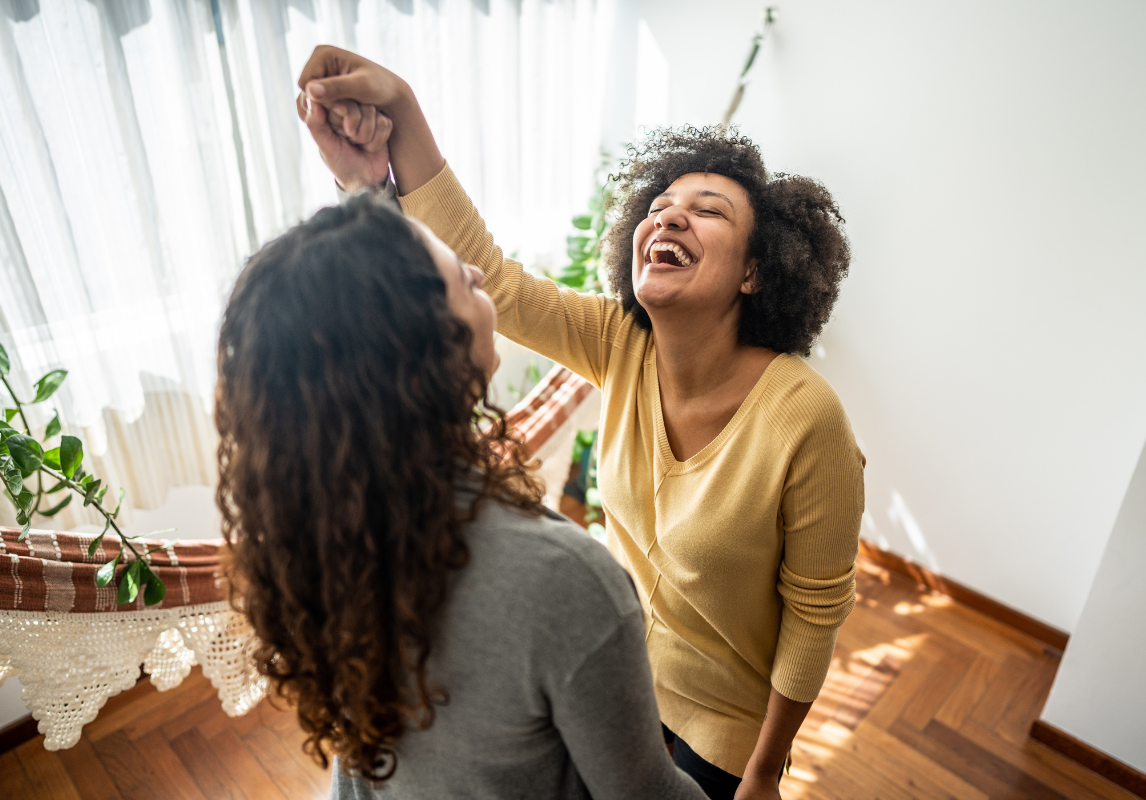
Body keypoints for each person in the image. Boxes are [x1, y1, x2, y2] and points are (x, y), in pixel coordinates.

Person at [297, 45, 865, 800]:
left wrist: (764, 771)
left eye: (708, 210)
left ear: (756, 272)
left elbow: (815, 616)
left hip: (727, 726)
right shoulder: (619, 341)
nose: (670, 215)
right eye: (660, 206)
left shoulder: (807, 418)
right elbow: (496, 280)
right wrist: (401, 113)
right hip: (613, 679)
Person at [214, 165, 707, 799]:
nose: (477, 273)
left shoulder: (317, 538)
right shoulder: (567, 585)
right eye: (458, 277)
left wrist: (367, 182)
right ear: (419, 349)